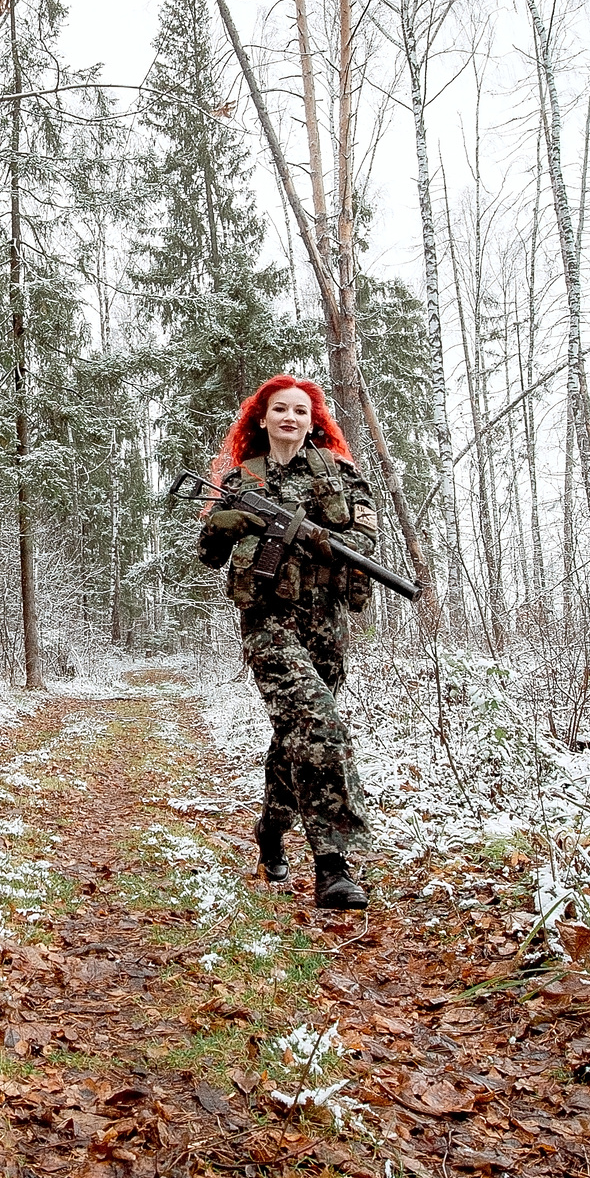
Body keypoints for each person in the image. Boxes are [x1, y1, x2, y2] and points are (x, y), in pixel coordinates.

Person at [196, 374, 377, 910]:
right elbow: (208, 554)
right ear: (262, 417)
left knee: (296, 734)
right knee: (320, 722)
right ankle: (334, 866)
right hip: (268, 622)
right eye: (280, 409)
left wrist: (309, 534)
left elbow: (365, 541)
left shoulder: (341, 475)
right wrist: (224, 524)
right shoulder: (239, 477)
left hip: (325, 622)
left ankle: (271, 828)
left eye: (301, 410)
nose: (290, 418)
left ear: (313, 419)